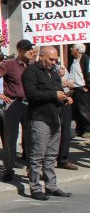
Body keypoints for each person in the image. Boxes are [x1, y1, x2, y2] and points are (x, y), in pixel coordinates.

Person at [22, 46, 73, 200]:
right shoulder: (31, 72)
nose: (54, 62)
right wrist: (53, 94)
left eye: (56, 59)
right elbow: (32, 95)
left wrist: (65, 98)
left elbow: (57, 93)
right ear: (42, 56)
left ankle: (51, 185)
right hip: (40, 118)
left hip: (55, 118)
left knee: (51, 155)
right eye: (51, 59)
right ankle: (36, 187)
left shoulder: (55, 73)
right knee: (38, 155)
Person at [0, 39, 33, 182]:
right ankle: (8, 169)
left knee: (32, 138)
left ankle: (32, 169)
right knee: (11, 138)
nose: (30, 52)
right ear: (19, 50)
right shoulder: (10, 64)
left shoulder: (33, 65)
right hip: (14, 102)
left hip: (30, 104)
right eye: (26, 49)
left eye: (31, 49)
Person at [57, 65, 78, 171]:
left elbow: (72, 83)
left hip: (65, 101)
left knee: (65, 131)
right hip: (52, 103)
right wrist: (58, 79)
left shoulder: (62, 67)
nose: (53, 61)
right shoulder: (38, 68)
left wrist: (67, 84)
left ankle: (63, 159)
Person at [68, 43, 90, 140]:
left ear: (77, 49)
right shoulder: (74, 61)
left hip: (82, 88)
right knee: (76, 110)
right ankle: (80, 129)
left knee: (84, 110)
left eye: (72, 47)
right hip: (75, 89)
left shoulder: (86, 58)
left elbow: (88, 73)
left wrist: (87, 87)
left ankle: (87, 130)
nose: (70, 49)